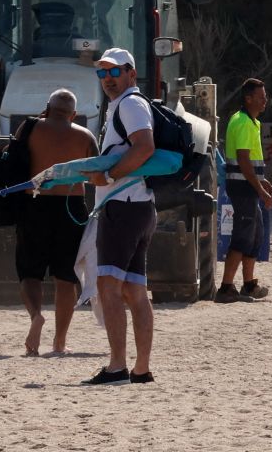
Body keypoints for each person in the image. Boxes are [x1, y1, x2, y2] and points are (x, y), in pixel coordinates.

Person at [81, 47, 158, 384]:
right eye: (102, 73)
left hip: (122, 205)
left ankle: (116, 366)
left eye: (115, 72)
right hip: (138, 205)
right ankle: (140, 369)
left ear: (132, 74)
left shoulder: (130, 104)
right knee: (134, 291)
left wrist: (109, 177)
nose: (108, 79)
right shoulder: (125, 105)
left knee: (107, 287)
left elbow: (144, 147)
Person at [17, 88, 95, 356]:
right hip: (71, 206)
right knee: (65, 276)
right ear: (73, 114)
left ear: (47, 108)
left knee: (30, 272)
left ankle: (36, 317)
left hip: (35, 204)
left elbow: (14, 159)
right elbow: (98, 174)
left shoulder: (29, 129)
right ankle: (59, 342)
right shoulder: (85, 136)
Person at [216, 77, 272, 303]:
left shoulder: (252, 122)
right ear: (248, 98)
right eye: (260, 97)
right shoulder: (241, 122)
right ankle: (225, 288)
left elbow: (251, 161)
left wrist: (262, 180)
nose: (264, 101)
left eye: (265, 97)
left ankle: (249, 285)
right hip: (242, 187)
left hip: (248, 184)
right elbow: (242, 160)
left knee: (255, 234)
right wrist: (260, 189)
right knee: (242, 236)